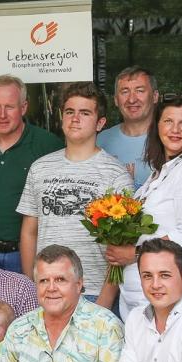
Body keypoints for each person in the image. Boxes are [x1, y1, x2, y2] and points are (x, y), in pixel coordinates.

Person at [16, 82, 133, 306]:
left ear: (100, 123)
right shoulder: (40, 167)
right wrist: (34, 284)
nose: (75, 118)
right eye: (70, 112)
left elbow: (121, 246)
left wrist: (105, 301)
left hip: (93, 291)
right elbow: (30, 231)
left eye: (85, 112)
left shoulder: (115, 173)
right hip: (48, 290)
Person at [104, 94, 182, 320]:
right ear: (158, 127)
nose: (175, 129)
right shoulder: (160, 172)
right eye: (168, 121)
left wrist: (134, 253)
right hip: (144, 299)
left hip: (175, 298)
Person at [0, 74, 63, 273]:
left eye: (9, 107)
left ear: (23, 107)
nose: (2, 115)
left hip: (32, 253)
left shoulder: (48, 145)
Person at [99, 66, 160, 189]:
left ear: (155, 96)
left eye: (140, 91)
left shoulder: (169, 138)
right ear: (116, 100)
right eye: (125, 92)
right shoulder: (101, 141)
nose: (132, 99)